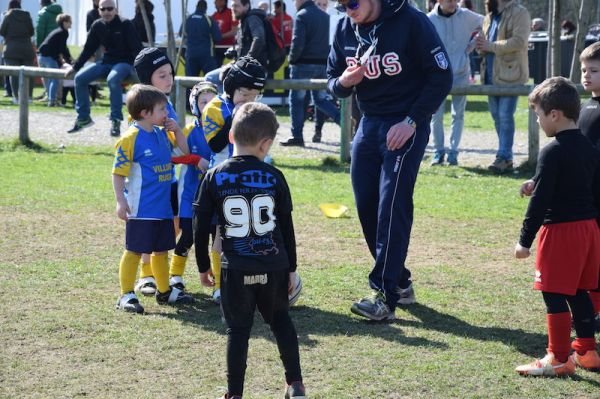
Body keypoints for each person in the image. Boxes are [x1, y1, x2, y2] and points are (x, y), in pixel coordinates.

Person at [327, 0, 452, 320]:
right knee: (366, 204)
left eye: (352, 3)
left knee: (391, 204)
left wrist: (411, 121)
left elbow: (441, 75)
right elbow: (332, 81)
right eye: (340, 6)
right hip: (369, 123)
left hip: (406, 123)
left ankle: (384, 294)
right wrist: (343, 82)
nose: (347, 10)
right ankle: (399, 281)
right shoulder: (345, 28)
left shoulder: (412, 21)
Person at [193, 101, 306, 399]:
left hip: (236, 267)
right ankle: (295, 383)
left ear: (231, 137)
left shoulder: (214, 175)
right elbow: (286, 226)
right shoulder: (274, 176)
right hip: (273, 265)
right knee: (281, 320)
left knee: (238, 330)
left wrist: (203, 265)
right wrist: (291, 267)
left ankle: (234, 394)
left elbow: (200, 225)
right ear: (265, 144)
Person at [514, 76, 600, 376]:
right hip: (589, 229)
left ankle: (558, 358)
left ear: (555, 114)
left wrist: (524, 240)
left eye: (538, 115)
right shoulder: (590, 149)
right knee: (578, 291)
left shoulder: (552, 151)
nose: (538, 121)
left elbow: (540, 202)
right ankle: (587, 351)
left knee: (552, 293)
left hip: (561, 231)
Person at [112, 84, 194, 314]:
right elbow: (118, 173)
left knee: (161, 251)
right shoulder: (130, 138)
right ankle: (126, 294)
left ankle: (164, 291)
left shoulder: (162, 134)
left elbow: (185, 153)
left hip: (163, 208)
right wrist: (121, 201)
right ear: (145, 113)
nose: (166, 113)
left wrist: (177, 131)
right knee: (135, 250)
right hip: (141, 209)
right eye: (162, 109)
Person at [201, 55, 266, 303]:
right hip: (223, 181)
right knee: (221, 233)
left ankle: (250, 282)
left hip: (250, 180)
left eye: (254, 95)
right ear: (230, 87)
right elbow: (214, 143)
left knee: (250, 233)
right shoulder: (215, 109)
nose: (248, 100)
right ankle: (219, 285)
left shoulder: (256, 110)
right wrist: (235, 117)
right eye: (244, 93)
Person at [64, 0, 143, 136]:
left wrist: (142, 68)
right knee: (79, 78)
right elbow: (88, 49)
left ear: (115, 10)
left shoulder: (125, 24)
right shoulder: (97, 25)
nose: (107, 12)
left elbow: (137, 48)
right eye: (103, 9)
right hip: (106, 62)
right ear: (99, 10)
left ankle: (116, 121)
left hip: (125, 63)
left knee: (113, 79)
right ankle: (84, 117)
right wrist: (75, 67)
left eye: (110, 9)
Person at [168, 81, 215, 291]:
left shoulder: (224, 131)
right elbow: (173, 157)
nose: (209, 105)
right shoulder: (188, 130)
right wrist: (196, 159)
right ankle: (175, 275)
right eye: (204, 101)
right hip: (190, 196)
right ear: (195, 106)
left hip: (215, 198)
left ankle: (219, 283)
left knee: (217, 239)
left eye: (213, 101)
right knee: (188, 236)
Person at [475, 0, 530, 173]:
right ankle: (505, 156)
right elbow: (485, 46)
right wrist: (479, 45)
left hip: (511, 75)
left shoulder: (520, 12)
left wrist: (489, 46)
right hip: (490, 76)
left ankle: (504, 156)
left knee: (505, 115)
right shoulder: (489, 15)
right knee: (497, 117)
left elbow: (520, 41)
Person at [428, 0, 483, 166]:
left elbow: (485, 23)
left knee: (457, 114)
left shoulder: (466, 16)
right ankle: (438, 151)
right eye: (448, 0)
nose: (452, 3)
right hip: (437, 75)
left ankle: (453, 152)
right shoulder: (429, 19)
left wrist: (472, 45)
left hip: (461, 73)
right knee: (435, 115)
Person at [280, 0, 340, 147]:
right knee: (321, 100)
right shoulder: (326, 17)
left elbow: (297, 42)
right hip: (323, 64)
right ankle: (344, 121)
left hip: (303, 64)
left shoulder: (301, 15)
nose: (294, 3)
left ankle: (297, 136)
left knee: (297, 100)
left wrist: (292, 60)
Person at [574, 41, 600, 332]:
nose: (586, 75)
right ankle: (592, 312)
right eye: (584, 70)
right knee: (592, 258)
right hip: (585, 196)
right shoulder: (584, 107)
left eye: (593, 70)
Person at [204, 0, 268, 92]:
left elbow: (259, 39)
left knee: (210, 77)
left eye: (237, 6)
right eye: (232, 6)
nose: (233, 9)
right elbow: (247, 44)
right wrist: (235, 52)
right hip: (249, 67)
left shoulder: (252, 18)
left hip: (254, 69)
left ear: (246, 6)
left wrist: (245, 61)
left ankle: (226, 105)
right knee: (220, 74)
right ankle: (230, 104)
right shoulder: (244, 20)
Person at [0, 0, 35, 104]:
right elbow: (31, 32)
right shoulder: (27, 15)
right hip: (27, 48)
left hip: (11, 49)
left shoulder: (7, 15)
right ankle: (29, 97)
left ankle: (16, 97)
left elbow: (2, 31)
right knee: (29, 73)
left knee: (13, 74)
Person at [37, 13, 72, 107]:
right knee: (55, 78)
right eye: (69, 22)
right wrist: (69, 60)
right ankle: (52, 101)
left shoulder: (57, 31)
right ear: (64, 22)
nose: (71, 23)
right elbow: (62, 48)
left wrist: (66, 58)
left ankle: (50, 98)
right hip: (48, 57)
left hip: (41, 56)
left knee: (48, 79)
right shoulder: (63, 32)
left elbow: (61, 47)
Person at [185, 0, 222, 78]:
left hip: (191, 54)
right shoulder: (209, 19)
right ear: (206, 8)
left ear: (196, 7)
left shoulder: (188, 18)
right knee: (211, 80)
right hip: (206, 55)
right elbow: (217, 37)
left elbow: (182, 34)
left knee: (189, 82)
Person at [212, 0, 238, 66]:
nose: (214, 2)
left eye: (216, 1)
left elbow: (234, 32)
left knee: (232, 69)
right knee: (215, 68)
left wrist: (219, 37)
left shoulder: (231, 13)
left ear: (223, 1)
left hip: (229, 47)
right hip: (216, 47)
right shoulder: (214, 15)